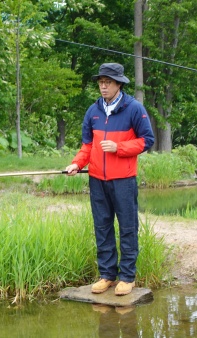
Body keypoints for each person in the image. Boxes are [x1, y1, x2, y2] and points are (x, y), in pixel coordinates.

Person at [65, 63, 154, 296]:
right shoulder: (92, 111)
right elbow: (87, 146)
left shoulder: (134, 109)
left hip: (123, 180)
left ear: (119, 84)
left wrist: (119, 147)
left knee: (127, 228)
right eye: (101, 82)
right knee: (102, 228)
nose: (103, 86)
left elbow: (147, 140)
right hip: (97, 180)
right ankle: (107, 275)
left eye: (108, 82)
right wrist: (77, 163)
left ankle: (127, 277)